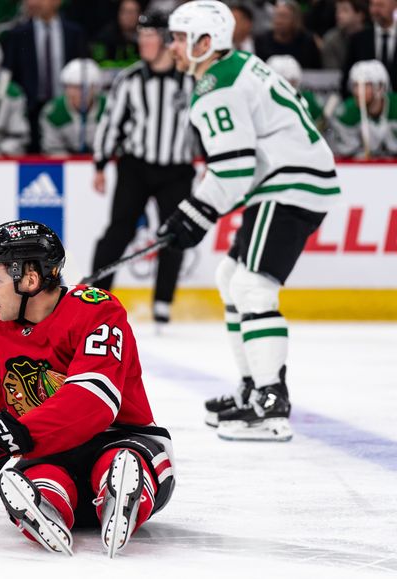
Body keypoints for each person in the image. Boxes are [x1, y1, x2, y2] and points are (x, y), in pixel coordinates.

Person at [0, 220, 175, 558]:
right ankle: (47, 500)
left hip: (120, 435)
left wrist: (10, 436)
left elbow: (93, 401)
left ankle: (121, 487)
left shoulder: (98, 310)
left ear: (29, 279)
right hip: (47, 452)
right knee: (37, 472)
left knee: (121, 458)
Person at [163, 0, 340, 442]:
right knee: (231, 276)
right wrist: (196, 210)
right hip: (292, 180)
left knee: (252, 286)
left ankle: (269, 401)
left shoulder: (216, 86)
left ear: (206, 43)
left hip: (288, 185)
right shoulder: (236, 66)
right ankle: (252, 389)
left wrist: (195, 213)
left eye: (181, 38)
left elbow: (235, 169)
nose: (173, 46)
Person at [91, 11, 195, 326]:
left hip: (177, 169)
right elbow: (111, 123)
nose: (143, 43)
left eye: (149, 37)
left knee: (173, 235)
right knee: (118, 231)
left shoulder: (190, 79)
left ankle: (163, 302)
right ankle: (96, 295)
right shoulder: (130, 79)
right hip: (136, 165)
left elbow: (203, 125)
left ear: (166, 40)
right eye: (141, 36)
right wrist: (101, 163)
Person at [2, 0, 87, 153]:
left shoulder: (74, 32)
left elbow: (81, 69)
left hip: (64, 107)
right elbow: (11, 75)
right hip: (29, 109)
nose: (36, 2)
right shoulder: (17, 34)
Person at [329, 60, 397, 158]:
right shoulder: (346, 113)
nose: (357, 91)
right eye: (355, 85)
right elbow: (347, 156)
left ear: (380, 87)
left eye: (364, 85)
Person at [39, 58, 106, 155]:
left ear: (95, 88)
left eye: (83, 88)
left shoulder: (110, 108)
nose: (77, 93)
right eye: (72, 87)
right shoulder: (52, 112)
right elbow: (52, 150)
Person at [342, 0, 397, 95]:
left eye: (380, 5)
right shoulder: (358, 40)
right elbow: (347, 80)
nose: (375, 10)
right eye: (372, 5)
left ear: (394, 5)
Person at [254, 0, 321, 69]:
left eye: (284, 17)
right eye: (276, 16)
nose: (279, 21)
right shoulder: (261, 41)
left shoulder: (307, 41)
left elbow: (317, 71)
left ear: (295, 19)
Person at [266, 55, 325, 125]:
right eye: (287, 82)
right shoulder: (267, 100)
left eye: (293, 83)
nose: (290, 87)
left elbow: (320, 119)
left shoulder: (306, 97)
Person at [321, 0, 366, 70]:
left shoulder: (372, 38)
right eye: (337, 10)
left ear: (359, 15)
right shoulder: (331, 40)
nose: (338, 14)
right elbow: (332, 73)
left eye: (345, 10)